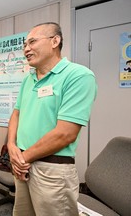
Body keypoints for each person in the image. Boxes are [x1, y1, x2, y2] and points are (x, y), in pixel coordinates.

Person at [7, 22, 97, 216]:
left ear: (55, 41)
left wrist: (21, 158)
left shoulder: (78, 76)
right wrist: (11, 145)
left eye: (32, 42)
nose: (26, 49)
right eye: (24, 45)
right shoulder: (28, 79)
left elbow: (66, 134)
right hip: (22, 164)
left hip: (51, 170)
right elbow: (16, 113)